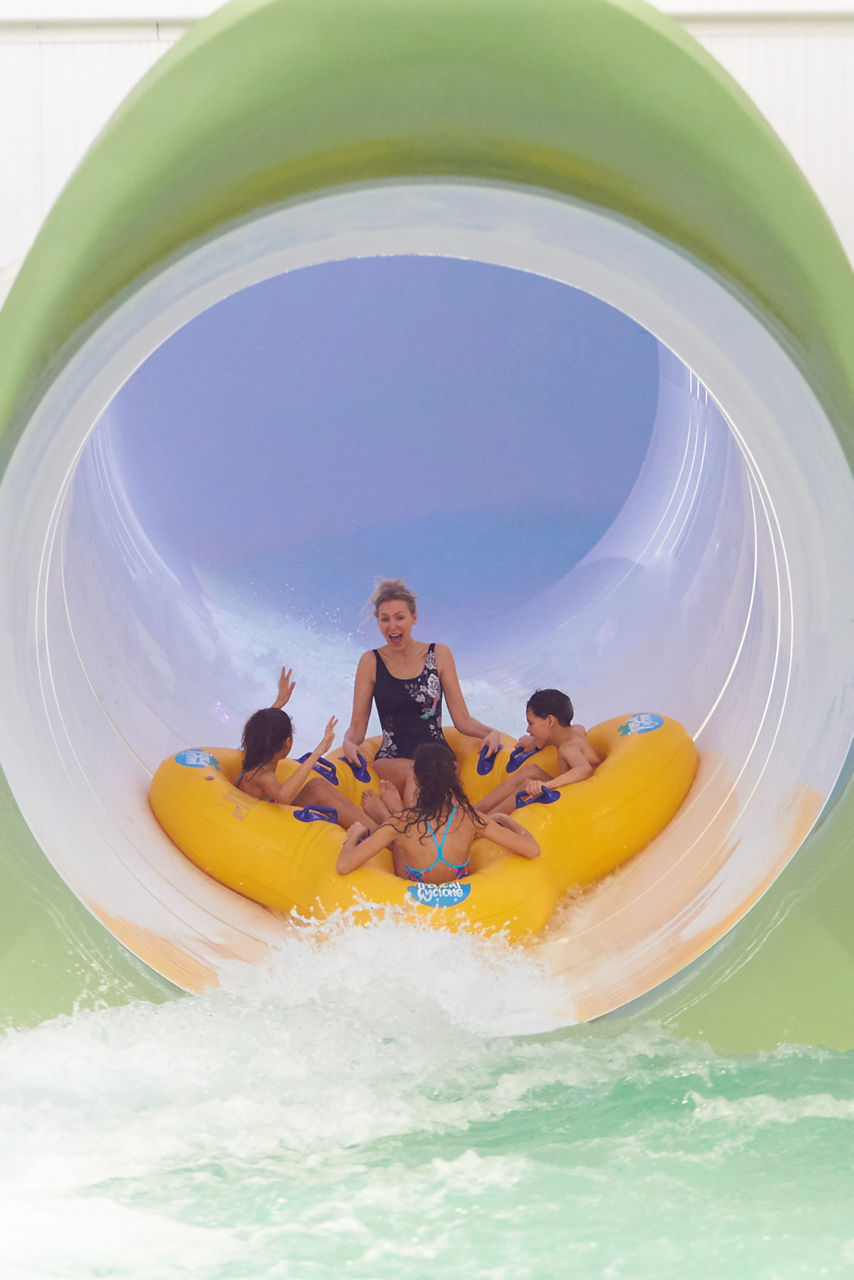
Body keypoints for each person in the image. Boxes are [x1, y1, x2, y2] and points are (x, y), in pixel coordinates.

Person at [340, 578, 503, 796]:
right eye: (384, 619)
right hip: (392, 760)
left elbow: (462, 719)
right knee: (419, 775)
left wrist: (491, 732)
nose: (392, 626)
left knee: (432, 773)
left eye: (400, 617)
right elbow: (358, 725)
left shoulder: (439, 654)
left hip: (438, 757)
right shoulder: (370, 662)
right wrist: (347, 742)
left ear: (414, 617)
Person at [337, 742, 540, 881]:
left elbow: (344, 866)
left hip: (413, 892)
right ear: (453, 780)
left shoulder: (401, 823)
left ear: (416, 780)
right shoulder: (471, 818)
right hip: (460, 898)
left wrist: (353, 837)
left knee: (399, 839)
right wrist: (507, 820)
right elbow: (532, 850)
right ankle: (388, 812)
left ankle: (387, 813)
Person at [235, 666, 376, 831]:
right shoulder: (264, 777)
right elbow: (283, 796)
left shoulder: (253, 758)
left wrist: (279, 703)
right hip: (262, 827)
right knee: (318, 789)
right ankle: (379, 833)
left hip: (260, 816)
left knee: (317, 786)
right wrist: (319, 751)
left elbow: (262, 730)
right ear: (288, 742)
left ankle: (372, 825)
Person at [477, 689, 602, 816]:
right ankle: (476, 810)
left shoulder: (568, 748)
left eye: (531, 723)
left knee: (527, 786)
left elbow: (584, 769)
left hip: (585, 797)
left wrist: (547, 785)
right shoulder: (576, 730)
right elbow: (562, 733)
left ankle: (480, 821)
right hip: (575, 789)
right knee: (531, 770)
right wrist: (535, 741)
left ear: (550, 721)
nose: (527, 729)